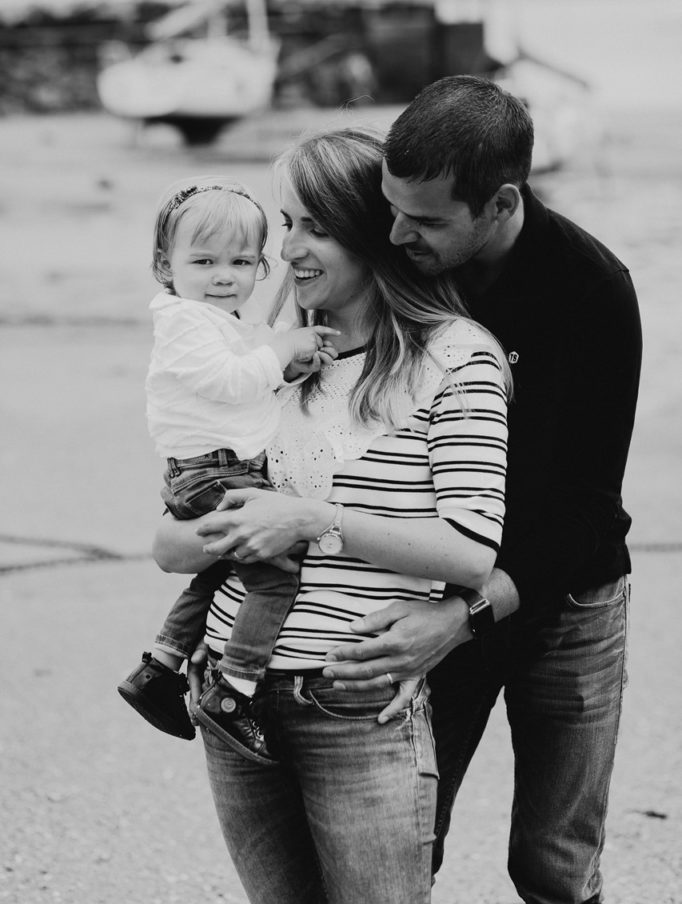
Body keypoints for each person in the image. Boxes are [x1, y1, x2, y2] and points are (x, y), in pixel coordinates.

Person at [153, 130, 510, 904]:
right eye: (287, 225)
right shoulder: (268, 360)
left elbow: (471, 551)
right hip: (229, 694)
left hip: (351, 699)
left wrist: (313, 517)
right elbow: (172, 545)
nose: (287, 251)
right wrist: (215, 533)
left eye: (315, 227)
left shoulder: (455, 358)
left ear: (370, 232)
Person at [319, 76, 642, 904]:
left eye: (426, 220)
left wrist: (462, 617)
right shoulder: (400, 267)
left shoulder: (592, 289)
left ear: (501, 203)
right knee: (402, 843)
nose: (397, 234)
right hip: (432, 584)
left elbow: (585, 511)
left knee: (554, 865)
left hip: (568, 603)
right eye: (391, 209)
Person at [118, 176, 338, 759]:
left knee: (223, 569)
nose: (224, 275)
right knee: (275, 575)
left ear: (260, 266)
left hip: (216, 468)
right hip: (212, 473)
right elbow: (232, 380)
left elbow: (251, 384)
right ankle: (234, 693)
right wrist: (284, 349)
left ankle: (160, 664)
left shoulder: (222, 321)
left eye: (240, 262)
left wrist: (291, 366)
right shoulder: (185, 322)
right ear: (164, 265)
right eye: (204, 261)